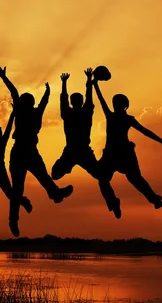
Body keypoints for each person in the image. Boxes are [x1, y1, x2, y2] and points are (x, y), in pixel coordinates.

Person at [0, 66, 73, 237]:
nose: (26, 103)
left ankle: (56, 194)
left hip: (30, 151)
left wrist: (48, 92)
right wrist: (4, 78)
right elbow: (15, 92)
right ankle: (14, 219)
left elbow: (42, 102)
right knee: (18, 189)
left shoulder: (34, 112)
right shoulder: (22, 112)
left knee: (43, 177)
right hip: (20, 151)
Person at [92, 77, 162, 215]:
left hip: (116, 153)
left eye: (116, 103)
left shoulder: (113, 116)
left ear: (119, 105)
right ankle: (153, 199)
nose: (114, 105)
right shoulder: (125, 118)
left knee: (105, 180)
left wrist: (95, 85)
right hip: (122, 153)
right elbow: (146, 132)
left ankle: (117, 203)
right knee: (134, 179)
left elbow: (101, 100)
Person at [51, 69, 121, 218]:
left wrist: (64, 83)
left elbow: (65, 100)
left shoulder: (70, 113)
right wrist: (88, 82)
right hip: (76, 151)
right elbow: (88, 98)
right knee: (57, 174)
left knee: (55, 174)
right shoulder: (83, 112)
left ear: (74, 102)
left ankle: (113, 203)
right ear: (80, 102)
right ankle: (113, 202)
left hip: (79, 151)